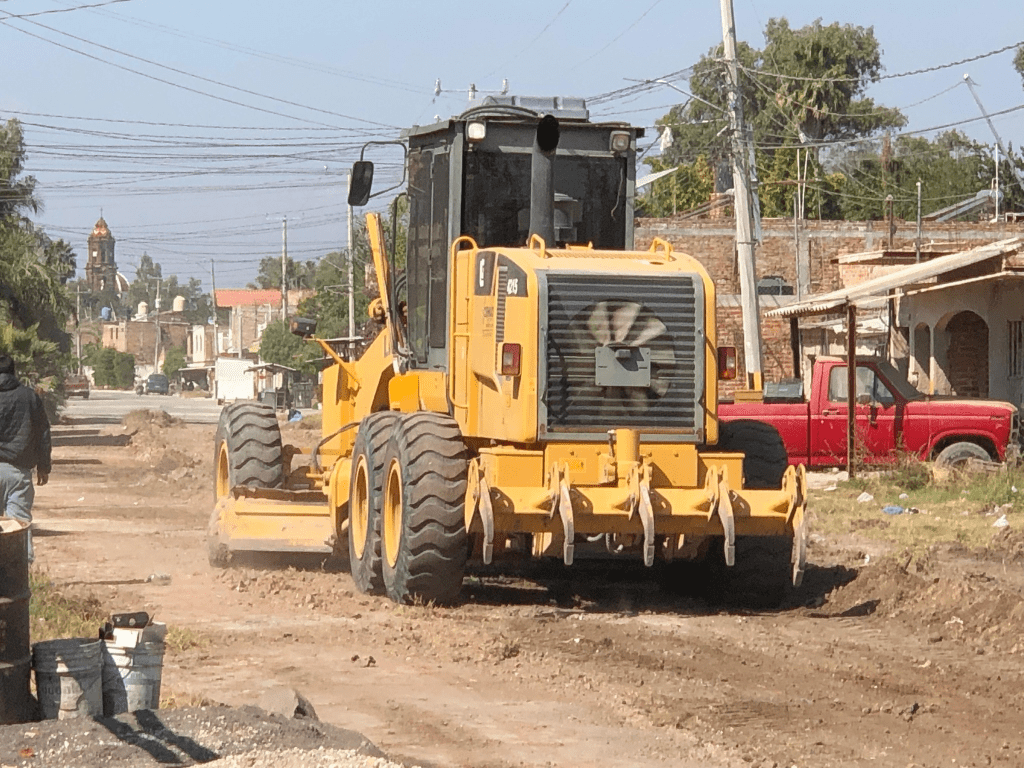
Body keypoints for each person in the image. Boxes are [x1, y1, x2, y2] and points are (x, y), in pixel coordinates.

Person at [0, 355, 51, 564]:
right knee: (18, 523)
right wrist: (43, 466)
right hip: (18, 472)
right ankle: (22, 578)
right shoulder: (29, 397)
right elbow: (43, 433)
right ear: (14, 372)